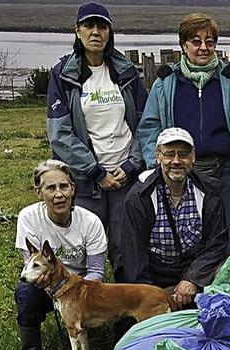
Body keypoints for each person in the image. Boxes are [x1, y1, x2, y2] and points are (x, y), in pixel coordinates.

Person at [137, 13, 230, 254]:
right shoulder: (166, 83)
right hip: (180, 169)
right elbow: (149, 127)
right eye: (196, 41)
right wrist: (157, 166)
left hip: (225, 170)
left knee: (227, 236)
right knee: (186, 235)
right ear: (183, 45)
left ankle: (224, 288)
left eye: (209, 41)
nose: (203, 48)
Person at [47, 2, 145, 281]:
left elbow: (145, 123)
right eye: (88, 26)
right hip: (86, 179)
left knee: (125, 246)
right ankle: (82, 310)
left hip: (125, 177)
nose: (95, 32)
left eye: (101, 26)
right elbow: (59, 133)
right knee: (82, 246)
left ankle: (126, 313)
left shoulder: (126, 71)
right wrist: (95, 171)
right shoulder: (63, 74)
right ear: (77, 31)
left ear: (109, 32)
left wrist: (131, 165)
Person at [120, 127, 228, 309]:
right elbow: (134, 254)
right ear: (158, 156)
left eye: (183, 154)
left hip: (193, 270)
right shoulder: (139, 197)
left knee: (223, 270)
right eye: (169, 154)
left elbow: (217, 243)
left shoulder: (209, 192)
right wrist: (152, 297)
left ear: (193, 157)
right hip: (154, 273)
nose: (176, 161)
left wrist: (192, 279)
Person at [15, 160, 107, 350]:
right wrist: (51, 287)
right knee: (26, 292)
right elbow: (30, 266)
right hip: (45, 283)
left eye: (64, 186)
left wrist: (71, 292)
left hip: (80, 286)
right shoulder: (28, 218)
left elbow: (96, 271)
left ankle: (93, 348)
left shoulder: (91, 222)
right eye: (50, 188)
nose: (59, 194)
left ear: (73, 189)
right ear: (39, 193)